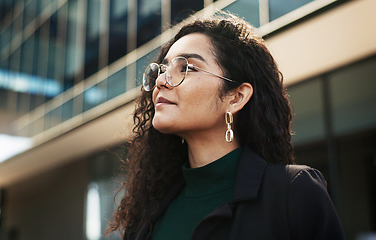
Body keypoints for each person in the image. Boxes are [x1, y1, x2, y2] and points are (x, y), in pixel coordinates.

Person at [107, 13, 345, 240]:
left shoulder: (293, 192)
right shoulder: (148, 212)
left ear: (236, 97)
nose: (160, 81)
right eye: (162, 69)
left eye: (187, 68)